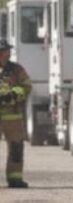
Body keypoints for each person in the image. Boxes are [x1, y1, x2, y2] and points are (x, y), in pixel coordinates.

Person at [0, 39, 32, 188]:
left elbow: (27, 85)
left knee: (16, 148)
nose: (7, 53)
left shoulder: (16, 69)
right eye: (4, 51)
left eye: (7, 50)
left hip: (13, 116)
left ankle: (15, 178)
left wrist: (13, 94)